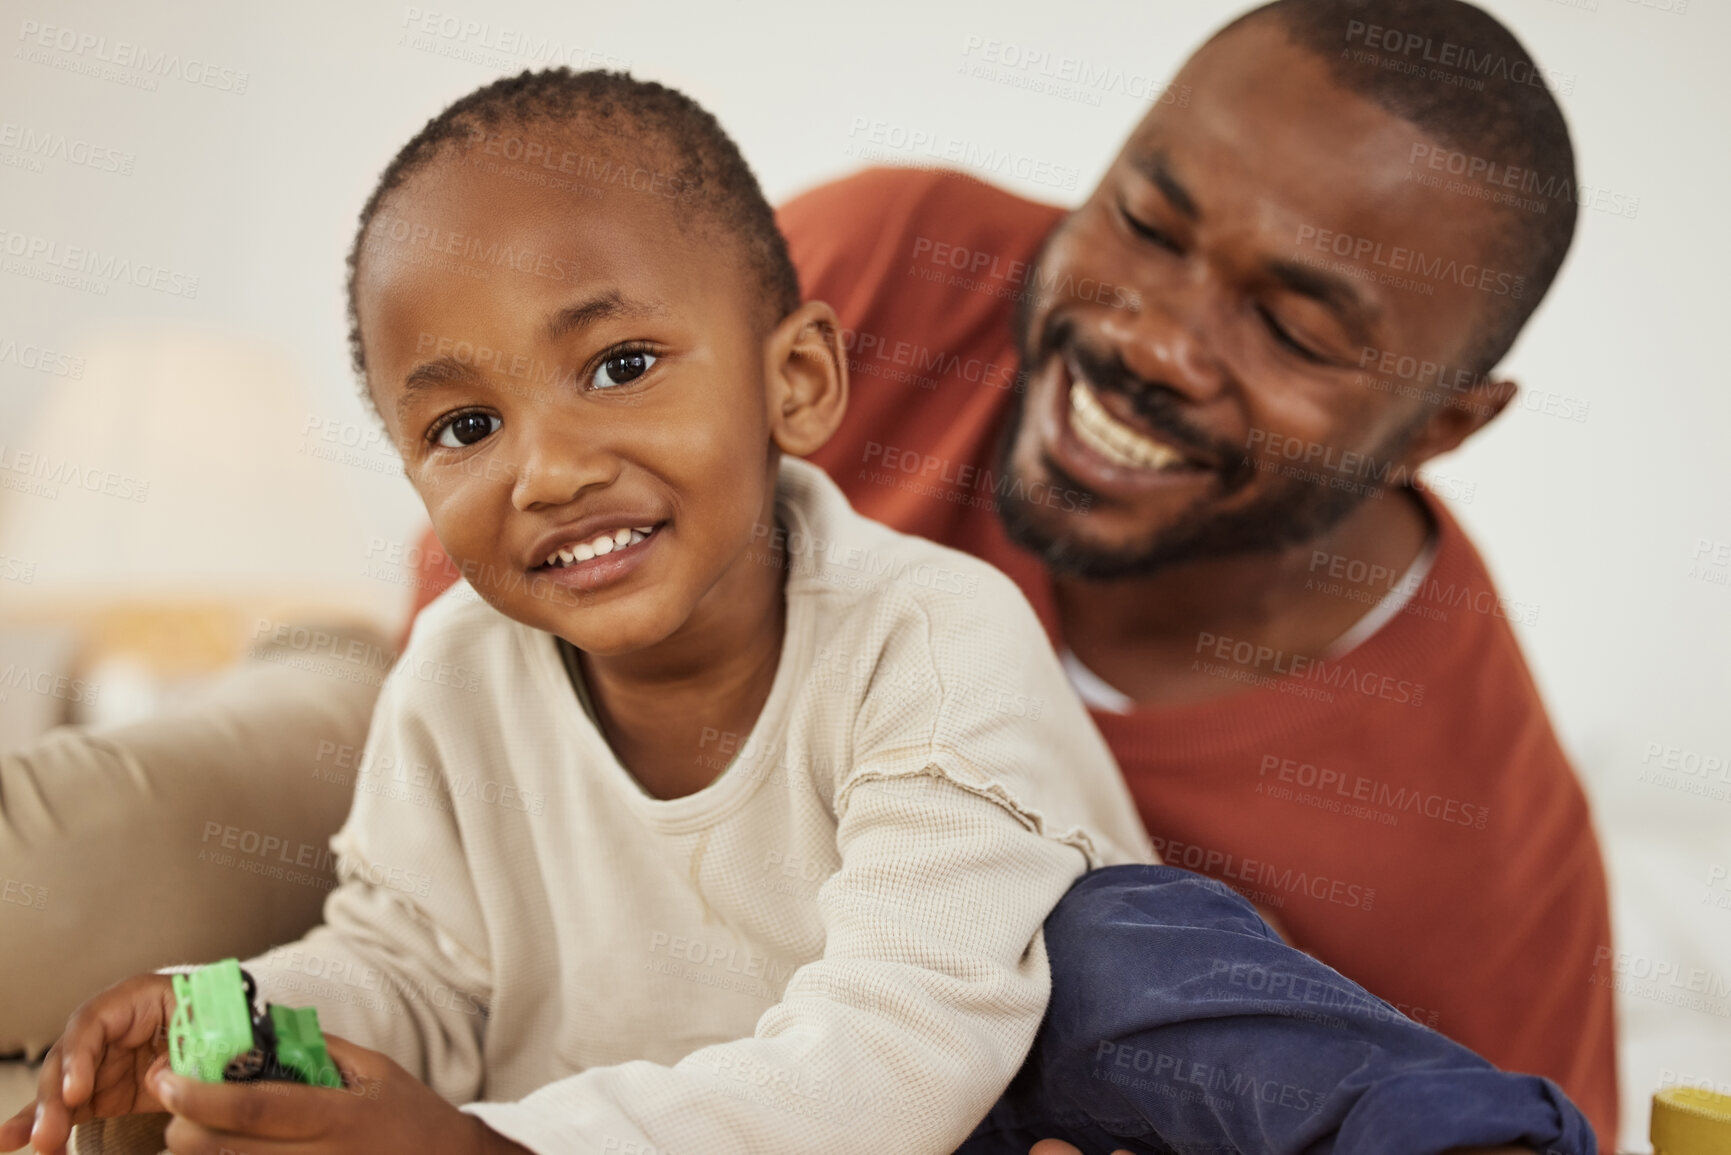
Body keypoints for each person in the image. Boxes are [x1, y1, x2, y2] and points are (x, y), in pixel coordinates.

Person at [1, 69, 1590, 1155]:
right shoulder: (459, 673)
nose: (547, 464)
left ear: (799, 382)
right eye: (462, 427)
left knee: (1112, 944)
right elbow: (415, 966)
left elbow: (902, 1048)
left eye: (620, 366)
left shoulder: (932, 634)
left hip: (983, 1093)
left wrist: (491, 1139)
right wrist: (246, 1018)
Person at [391, 0, 1619, 1143]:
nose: (1150, 338)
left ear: (1441, 428)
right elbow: (489, 662)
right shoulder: (874, 279)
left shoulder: (1469, 841)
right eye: (1145, 222)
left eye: (1294, 331)